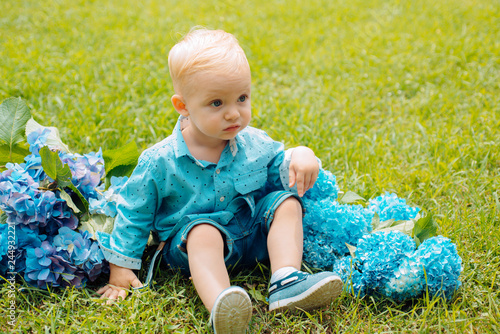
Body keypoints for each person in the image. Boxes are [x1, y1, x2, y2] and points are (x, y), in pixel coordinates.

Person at [97, 28, 342, 333]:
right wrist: (121, 268)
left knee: (286, 202)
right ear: (183, 106)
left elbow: (281, 166)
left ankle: (285, 280)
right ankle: (222, 305)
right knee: (202, 231)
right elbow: (134, 212)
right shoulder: (160, 161)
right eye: (217, 103)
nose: (233, 114)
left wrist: (302, 154)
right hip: (191, 248)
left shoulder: (253, 143)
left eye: (242, 98)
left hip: (248, 234)